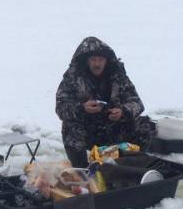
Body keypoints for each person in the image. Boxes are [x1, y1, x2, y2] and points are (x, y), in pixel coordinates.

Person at [55, 36, 154, 167]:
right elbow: (61, 107)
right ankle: (82, 170)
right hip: (87, 130)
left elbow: (137, 103)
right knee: (70, 128)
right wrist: (82, 108)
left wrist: (122, 112)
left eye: (100, 60)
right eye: (93, 60)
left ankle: (131, 164)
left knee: (144, 125)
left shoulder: (118, 76)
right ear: (87, 61)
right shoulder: (72, 78)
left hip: (113, 126)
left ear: (106, 60)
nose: (97, 64)